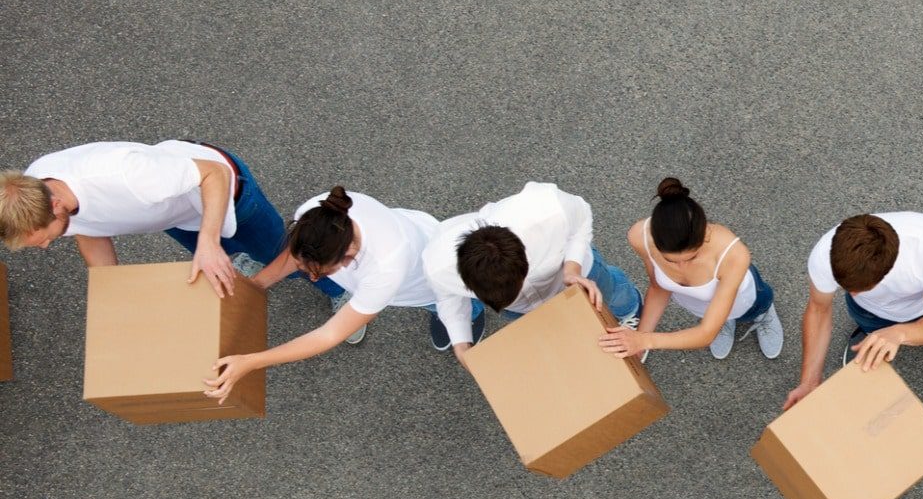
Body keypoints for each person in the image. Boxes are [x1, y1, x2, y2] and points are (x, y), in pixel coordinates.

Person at [1, 139, 343, 304]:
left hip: (229, 195)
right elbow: (89, 230)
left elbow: (214, 175)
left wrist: (208, 244)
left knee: (286, 252)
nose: (46, 245)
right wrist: (111, 290)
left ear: (56, 204)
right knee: (223, 257)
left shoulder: (128, 174)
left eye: (44, 238)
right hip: (174, 212)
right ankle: (238, 261)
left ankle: (339, 290)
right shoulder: (37, 188)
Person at [204, 188, 442, 401]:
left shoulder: (386, 269)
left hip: (428, 277)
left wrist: (251, 362)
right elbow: (295, 256)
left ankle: (468, 314)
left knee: (442, 301)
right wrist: (254, 288)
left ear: (348, 256)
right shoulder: (316, 214)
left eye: (318, 272)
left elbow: (329, 335)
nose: (312, 278)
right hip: (410, 230)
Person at [423, 181, 641, 362]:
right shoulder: (438, 267)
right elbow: (448, 298)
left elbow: (582, 215)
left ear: (524, 262)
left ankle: (631, 309)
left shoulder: (548, 208)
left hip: (582, 276)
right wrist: (461, 346)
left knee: (612, 294)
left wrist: (572, 268)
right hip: (520, 310)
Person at [783, 211, 923, 410]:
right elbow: (818, 310)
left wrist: (900, 333)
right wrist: (809, 381)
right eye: (846, 288)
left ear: (888, 269)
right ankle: (872, 333)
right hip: (871, 313)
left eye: (862, 288)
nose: (854, 296)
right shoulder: (825, 254)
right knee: (867, 318)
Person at [597, 178, 783, 362]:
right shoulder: (639, 237)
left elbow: (705, 334)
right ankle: (720, 319)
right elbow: (658, 288)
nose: (681, 268)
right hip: (699, 304)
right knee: (713, 315)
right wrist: (639, 340)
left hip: (745, 298)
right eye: (669, 260)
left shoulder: (735, 256)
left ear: (705, 234)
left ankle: (763, 314)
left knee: (755, 307)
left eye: (691, 258)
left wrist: (645, 340)